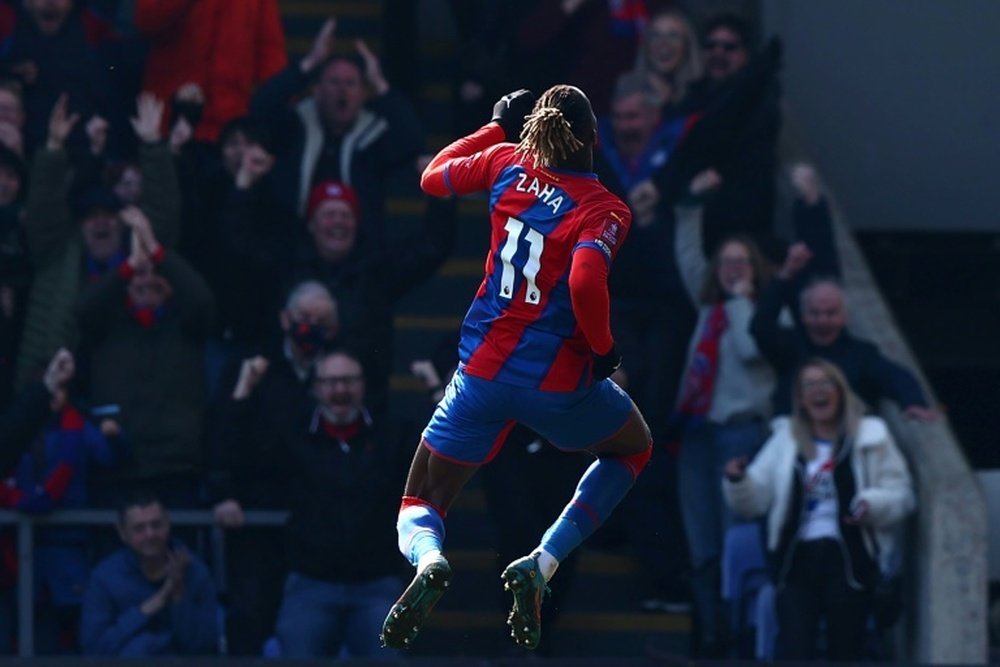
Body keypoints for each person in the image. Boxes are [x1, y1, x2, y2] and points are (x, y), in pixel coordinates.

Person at [380, 85, 654, 652]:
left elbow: (434, 177)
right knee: (631, 449)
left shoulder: (509, 161)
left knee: (422, 500)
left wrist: (495, 127)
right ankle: (544, 561)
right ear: (594, 140)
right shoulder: (604, 209)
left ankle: (429, 561)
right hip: (557, 384)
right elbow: (584, 279)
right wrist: (604, 350)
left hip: (481, 375)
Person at [722, 359, 915, 660]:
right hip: (796, 561)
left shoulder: (871, 436)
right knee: (796, 651)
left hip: (850, 560)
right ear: (799, 397)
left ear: (840, 391)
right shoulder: (785, 440)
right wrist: (738, 480)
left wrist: (871, 503)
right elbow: (754, 500)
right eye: (809, 385)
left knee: (844, 652)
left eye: (826, 383)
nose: (818, 391)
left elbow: (902, 495)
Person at [670, 168, 777, 655]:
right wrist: (692, 203)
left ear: (755, 269)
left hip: (740, 436)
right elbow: (688, 254)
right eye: (727, 262)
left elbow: (754, 350)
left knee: (737, 543)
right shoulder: (707, 305)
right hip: (696, 433)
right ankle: (706, 642)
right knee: (702, 543)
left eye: (742, 263)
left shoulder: (767, 311)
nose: (733, 268)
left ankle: (739, 644)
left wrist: (739, 302)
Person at [207, 280, 338, 656]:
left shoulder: (340, 372)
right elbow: (220, 433)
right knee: (250, 615)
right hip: (254, 515)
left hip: (314, 519)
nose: (311, 327)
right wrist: (223, 493)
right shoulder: (252, 366)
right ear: (285, 319)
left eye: (321, 320)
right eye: (303, 317)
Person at [269, 349, 412, 657]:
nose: (340, 390)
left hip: (377, 582)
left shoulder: (392, 438)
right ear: (315, 388)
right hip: (311, 582)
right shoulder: (293, 437)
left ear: (363, 385)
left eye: (348, 380)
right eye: (331, 381)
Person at [79, 492, 218, 655]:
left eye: (157, 525)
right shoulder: (104, 577)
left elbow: (204, 647)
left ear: (168, 524)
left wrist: (179, 596)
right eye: (139, 528)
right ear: (122, 532)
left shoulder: (194, 569)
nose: (150, 534)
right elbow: (94, 649)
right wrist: (155, 602)